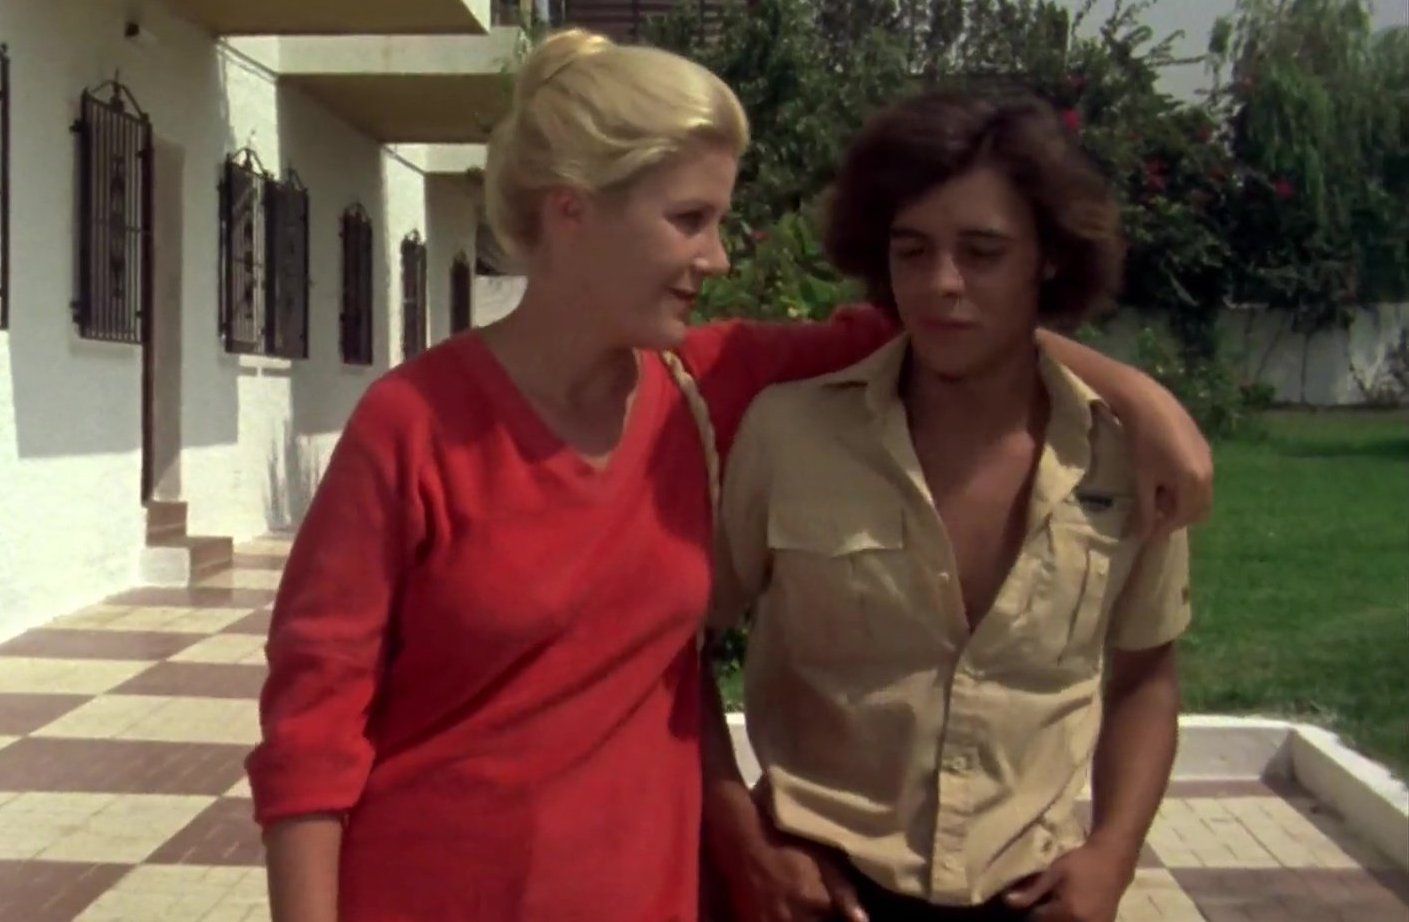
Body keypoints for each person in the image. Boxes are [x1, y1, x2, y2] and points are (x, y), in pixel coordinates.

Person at [247, 32, 1210, 922]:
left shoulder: (702, 392)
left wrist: (1140, 399)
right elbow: (309, 730)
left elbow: (946, 322)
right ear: (572, 212)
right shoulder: (414, 425)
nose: (714, 256)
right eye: (689, 220)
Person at [703, 90, 1193, 922]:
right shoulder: (789, 436)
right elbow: (679, 651)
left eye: (981, 251)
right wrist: (742, 840)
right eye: (912, 251)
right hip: (817, 890)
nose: (941, 284)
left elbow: (1145, 674)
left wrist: (1112, 854)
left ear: (1047, 258)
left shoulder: (1123, 457)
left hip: (1032, 891)